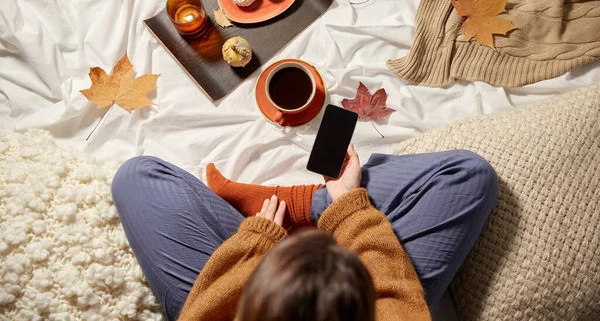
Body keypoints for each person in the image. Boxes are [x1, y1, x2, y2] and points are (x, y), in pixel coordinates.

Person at [112, 145, 498, 320]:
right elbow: (393, 297)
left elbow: (205, 312)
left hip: (221, 305)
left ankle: (290, 206)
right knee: (468, 176)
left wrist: (255, 243)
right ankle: (301, 205)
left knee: (138, 176)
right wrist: (347, 207)